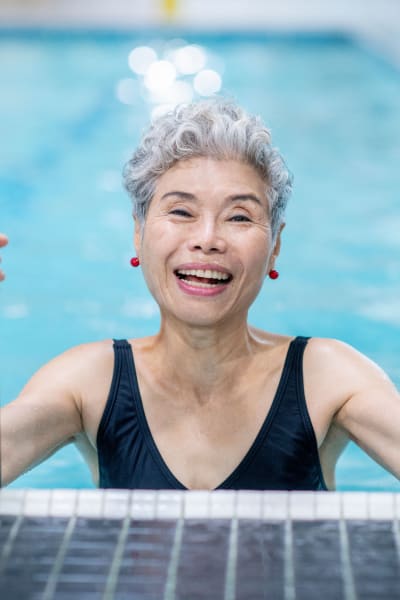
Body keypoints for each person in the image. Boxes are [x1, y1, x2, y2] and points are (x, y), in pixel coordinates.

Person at [0, 99, 399, 491]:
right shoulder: (89, 382)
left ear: (275, 244)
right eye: (181, 212)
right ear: (138, 234)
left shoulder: (327, 378)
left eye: (239, 216)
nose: (207, 239)